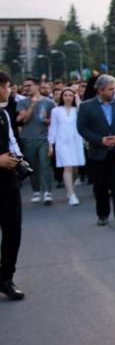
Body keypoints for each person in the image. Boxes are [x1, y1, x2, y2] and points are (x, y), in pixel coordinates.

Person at [76, 74, 115, 227]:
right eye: (110, 89)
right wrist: (99, 140)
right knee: (100, 186)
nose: (114, 91)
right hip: (98, 153)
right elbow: (82, 128)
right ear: (100, 90)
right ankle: (102, 214)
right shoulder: (86, 106)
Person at [0, 72, 25, 300]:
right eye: (7, 86)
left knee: (13, 230)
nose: (9, 90)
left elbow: (11, 140)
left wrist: (19, 159)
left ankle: (6, 278)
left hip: (8, 182)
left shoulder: (4, 114)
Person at [17, 77, 56, 204]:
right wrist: (33, 105)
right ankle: (36, 191)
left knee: (45, 164)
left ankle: (47, 192)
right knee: (33, 166)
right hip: (28, 138)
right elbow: (24, 120)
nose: (26, 88)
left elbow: (54, 121)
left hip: (44, 138)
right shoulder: (22, 102)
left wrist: (47, 121)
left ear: (37, 86)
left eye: (29, 85)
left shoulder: (49, 102)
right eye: (24, 86)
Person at [48, 88, 85, 206]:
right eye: (65, 95)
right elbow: (53, 128)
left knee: (75, 169)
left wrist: (79, 104)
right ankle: (72, 194)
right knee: (67, 167)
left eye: (70, 95)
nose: (68, 97)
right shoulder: (56, 111)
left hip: (76, 141)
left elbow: (84, 120)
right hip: (62, 142)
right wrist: (50, 145)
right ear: (62, 97)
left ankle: (70, 189)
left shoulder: (77, 110)